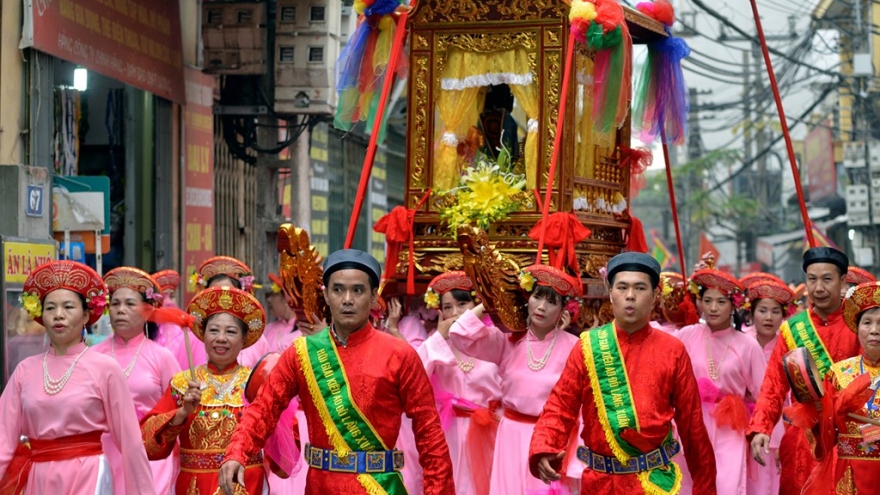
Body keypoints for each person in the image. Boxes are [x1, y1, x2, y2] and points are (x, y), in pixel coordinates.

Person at [219, 249, 454, 495]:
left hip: (379, 488)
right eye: (338, 289)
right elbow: (263, 408)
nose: (347, 299)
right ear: (327, 295)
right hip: (321, 488)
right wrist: (237, 452)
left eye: (358, 290)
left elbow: (430, 434)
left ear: (374, 296)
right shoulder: (302, 353)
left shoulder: (400, 355)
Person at [529, 252, 717, 495]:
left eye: (640, 288)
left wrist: (705, 488)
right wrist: (544, 446)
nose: (630, 296)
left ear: (655, 295)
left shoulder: (673, 351)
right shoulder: (588, 346)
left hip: (651, 485)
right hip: (598, 484)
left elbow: (692, 428)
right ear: (610, 293)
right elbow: (560, 406)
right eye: (622, 287)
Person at [0, 260, 155, 494]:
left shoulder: (105, 368)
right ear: (41, 316)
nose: (58, 315)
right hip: (39, 477)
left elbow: (131, 442)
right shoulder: (25, 370)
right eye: (50, 308)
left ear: (85, 316)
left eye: (68, 307)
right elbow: (3, 438)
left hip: (88, 473)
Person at [448, 264, 582, 495]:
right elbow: (458, 335)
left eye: (552, 302)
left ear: (563, 309)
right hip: (510, 436)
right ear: (526, 299)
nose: (541, 307)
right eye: (537, 297)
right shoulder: (506, 342)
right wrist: (491, 303)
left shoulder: (575, 347)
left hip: (550, 440)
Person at [748, 247, 861, 495]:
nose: (818, 287)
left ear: (842, 281)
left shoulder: (858, 325)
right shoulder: (793, 328)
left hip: (848, 436)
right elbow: (773, 385)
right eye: (812, 279)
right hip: (804, 440)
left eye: (827, 279)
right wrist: (761, 428)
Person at [140, 286, 269, 495]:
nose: (221, 338)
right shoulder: (183, 383)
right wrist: (182, 412)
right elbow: (147, 445)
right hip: (194, 485)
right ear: (203, 334)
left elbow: (285, 440)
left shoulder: (256, 383)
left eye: (231, 332)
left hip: (245, 483)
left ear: (244, 339)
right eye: (214, 330)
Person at [676, 263, 766, 495]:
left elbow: (764, 394)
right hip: (690, 420)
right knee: (688, 480)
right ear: (700, 303)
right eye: (708, 301)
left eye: (721, 302)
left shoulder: (747, 345)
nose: (713, 308)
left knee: (727, 482)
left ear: (733, 305)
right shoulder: (685, 336)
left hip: (730, 425)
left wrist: (761, 432)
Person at [92, 267, 182, 495]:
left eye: (130, 304)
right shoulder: (93, 356)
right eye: (115, 304)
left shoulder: (162, 357)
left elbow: (178, 411)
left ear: (146, 310)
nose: (120, 310)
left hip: (150, 454)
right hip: (104, 452)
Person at [418, 271, 502, 495]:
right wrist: (438, 337)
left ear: (476, 304)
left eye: (462, 304)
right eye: (447, 307)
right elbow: (415, 375)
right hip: (449, 431)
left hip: (490, 429)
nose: (454, 313)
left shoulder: (494, 338)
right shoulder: (435, 344)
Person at [794, 280, 880, 494]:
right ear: (857, 328)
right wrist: (818, 416)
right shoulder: (839, 374)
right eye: (867, 322)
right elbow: (824, 435)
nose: (874, 331)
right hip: (848, 474)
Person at [741, 279, 795, 495]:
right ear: (752, 313)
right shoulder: (741, 341)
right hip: (740, 418)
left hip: (778, 419)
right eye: (763, 310)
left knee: (771, 478)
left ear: (783, 315)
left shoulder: (788, 345)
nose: (769, 317)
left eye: (775, 311)